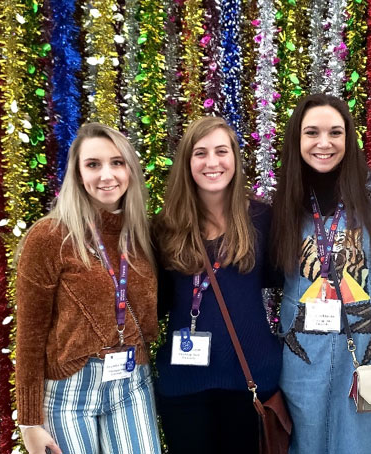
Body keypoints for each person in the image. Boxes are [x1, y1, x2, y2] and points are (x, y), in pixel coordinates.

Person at [15, 123, 161, 454]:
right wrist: (29, 422)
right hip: (69, 392)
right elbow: (30, 335)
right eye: (93, 164)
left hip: (131, 383)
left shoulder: (142, 235)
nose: (106, 175)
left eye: (117, 162)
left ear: (130, 170)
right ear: (78, 174)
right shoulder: (50, 237)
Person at [271, 93, 371, 454]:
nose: (324, 143)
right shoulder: (285, 202)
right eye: (312, 132)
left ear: (350, 137)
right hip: (303, 360)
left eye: (335, 132)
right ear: (297, 139)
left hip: (369, 356)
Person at [153, 116, 282, 454]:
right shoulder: (164, 228)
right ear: (187, 162)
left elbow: (279, 280)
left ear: (235, 159)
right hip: (184, 389)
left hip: (250, 381)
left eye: (221, 151)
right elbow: (158, 304)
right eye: (201, 153)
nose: (212, 162)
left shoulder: (262, 219)